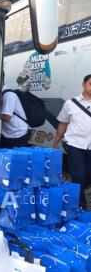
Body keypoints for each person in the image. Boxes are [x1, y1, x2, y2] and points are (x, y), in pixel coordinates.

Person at [53, 74, 91, 208]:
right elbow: (63, 124)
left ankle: (78, 194)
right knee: (78, 175)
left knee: (88, 175)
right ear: (83, 84)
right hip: (75, 144)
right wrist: (56, 142)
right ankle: (79, 203)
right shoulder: (71, 104)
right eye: (90, 84)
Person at [0, 73, 30, 148]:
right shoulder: (0, 93)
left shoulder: (8, 95)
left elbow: (6, 117)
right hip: (8, 133)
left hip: (18, 134)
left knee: (14, 158)